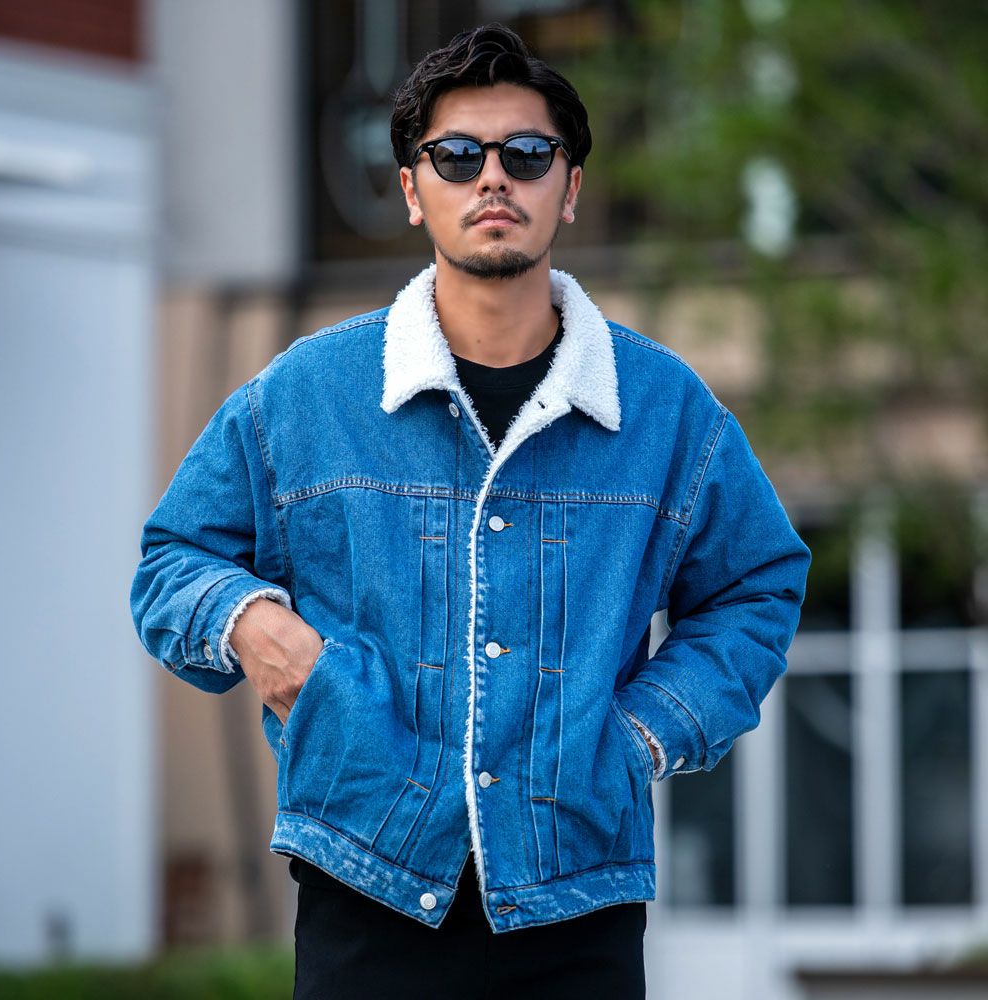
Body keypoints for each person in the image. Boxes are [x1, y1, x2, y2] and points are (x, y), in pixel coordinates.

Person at [130, 22, 810, 1000]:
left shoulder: (665, 409)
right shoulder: (308, 394)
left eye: (526, 154)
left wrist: (639, 735)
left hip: (577, 898)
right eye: (456, 156)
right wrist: (259, 630)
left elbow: (757, 586)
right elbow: (171, 562)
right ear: (414, 191)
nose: (493, 177)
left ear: (568, 188)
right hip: (363, 881)